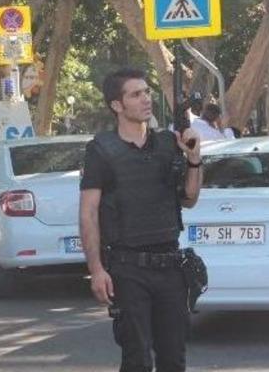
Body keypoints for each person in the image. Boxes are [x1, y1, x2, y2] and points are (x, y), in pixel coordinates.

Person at [79, 67, 202, 372]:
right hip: (127, 268)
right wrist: (96, 270)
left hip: (171, 265)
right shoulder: (101, 150)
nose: (146, 99)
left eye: (147, 92)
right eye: (136, 94)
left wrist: (194, 159)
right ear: (117, 105)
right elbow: (88, 212)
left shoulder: (168, 143)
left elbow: (189, 198)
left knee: (174, 359)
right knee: (137, 360)